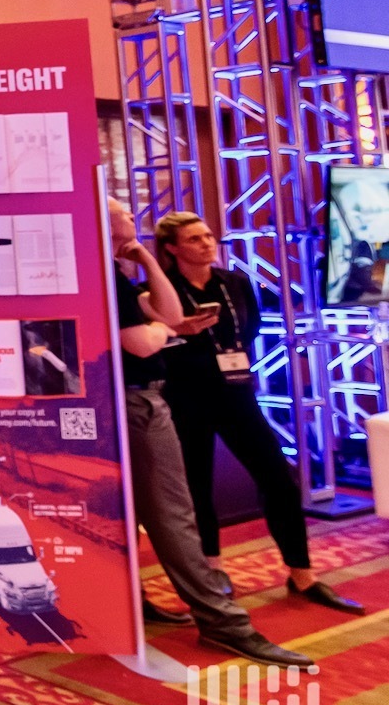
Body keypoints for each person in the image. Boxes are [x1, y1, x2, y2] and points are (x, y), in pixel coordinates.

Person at [107, 200, 312, 665]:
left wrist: (140, 260)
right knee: (175, 513)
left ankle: (139, 601)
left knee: (151, 510)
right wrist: (167, 329)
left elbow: (172, 316)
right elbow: (146, 338)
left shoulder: (118, 272)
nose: (130, 220)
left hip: (189, 394)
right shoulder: (106, 275)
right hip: (152, 399)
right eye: (122, 216)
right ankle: (222, 621)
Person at [154, 211, 362, 614]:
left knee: (279, 480)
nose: (206, 243)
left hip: (236, 393)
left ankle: (302, 575)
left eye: (208, 235)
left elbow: (250, 329)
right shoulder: (160, 290)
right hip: (186, 398)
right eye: (194, 239)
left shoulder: (234, 282)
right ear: (172, 248)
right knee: (196, 487)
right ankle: (213, 572)